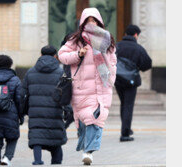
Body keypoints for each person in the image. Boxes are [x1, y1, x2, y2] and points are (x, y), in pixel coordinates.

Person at [58, 8, 117, 165]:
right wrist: (78, 55)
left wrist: (112, 77)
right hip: (81, 88)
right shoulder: (75, 40)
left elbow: (112, 61)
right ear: (83, 23)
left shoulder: (107, 39)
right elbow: (62, 56)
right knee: (84, 121)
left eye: (95, 21)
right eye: (89, 21)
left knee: (96, 119)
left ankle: (88, 152)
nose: (92, 24)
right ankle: (85, 147)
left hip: (102, 87)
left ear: (99, 22)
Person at [21, 45, 67, 165]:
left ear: (40, 55)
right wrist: (68, 110)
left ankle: (37, 160)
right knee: (55, 138)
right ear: (55, 56)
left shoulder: (30, 72)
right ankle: (56, 163)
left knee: (37, 136)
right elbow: (66, 93)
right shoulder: (60, 72)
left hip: (36, 112)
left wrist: (23, 110)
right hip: (55, 111)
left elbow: (23, 93)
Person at [115, 25, 152, 142]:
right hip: (131, 81)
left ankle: (126, 128)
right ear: (136, 35)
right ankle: (125, 133)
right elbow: (147, 64)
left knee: (123, 104)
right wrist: (136, 67)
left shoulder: (117, 46)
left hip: (118, 79)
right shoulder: (138, 48)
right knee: (128, 105)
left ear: (125, 34)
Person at [0, 55, 23, 166]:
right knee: (13, 137)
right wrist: (20, 116)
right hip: (10, 114)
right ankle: (7, 158)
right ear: (10, 65)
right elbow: (19, 100)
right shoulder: (15, 80)